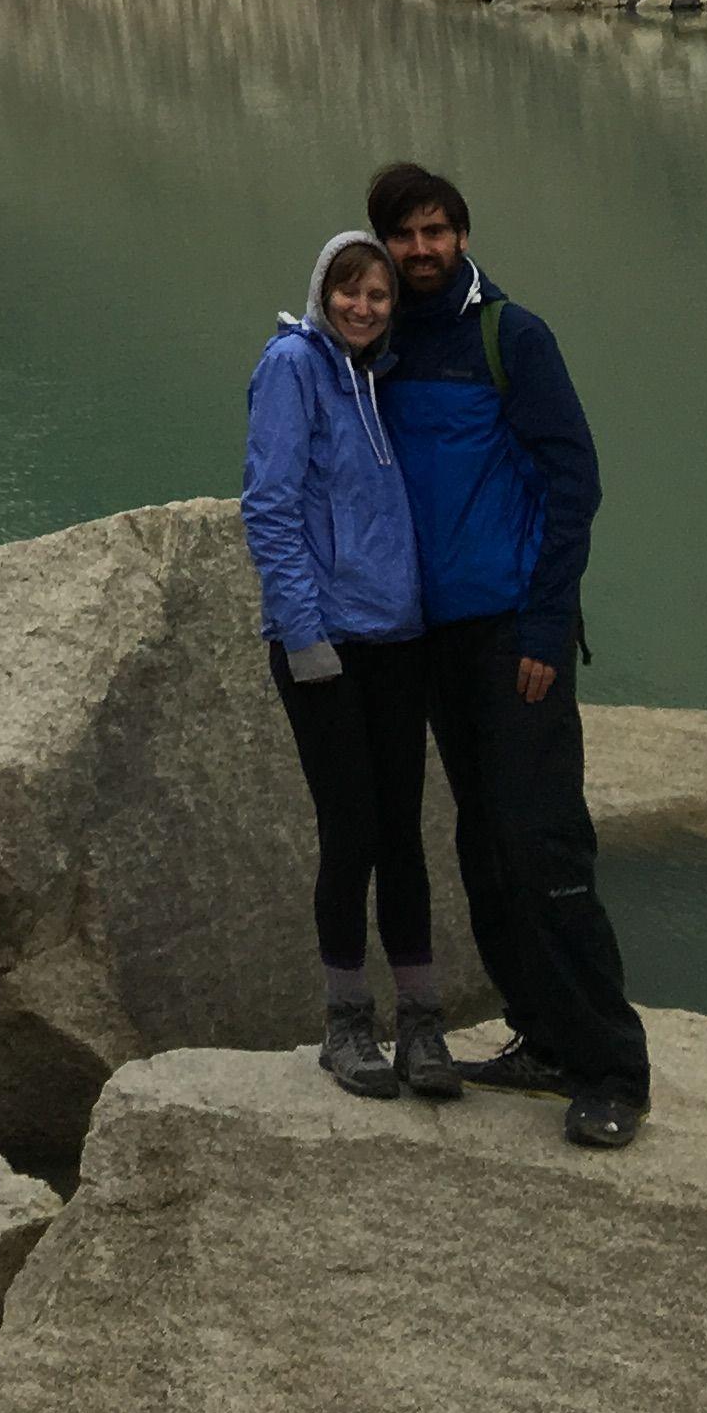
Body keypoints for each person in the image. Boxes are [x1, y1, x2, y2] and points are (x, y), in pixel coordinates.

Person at [368, 157, 652, 1150]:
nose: (422, 249)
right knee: (483, 846)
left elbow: (574, 483)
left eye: (437, 230)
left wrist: (544, 625)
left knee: (544, 844)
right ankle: (543, 1034)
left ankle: (613, 1064)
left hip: (511, 636)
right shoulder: (384, 340)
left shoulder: (511, 337)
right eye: (404, 235)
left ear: (463, 235)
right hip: (430, 636)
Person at [239, 228, 464, 1101]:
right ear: (322, 292)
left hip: (396, 639)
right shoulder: (294, 367)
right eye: (349, 291)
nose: (363, 307)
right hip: (325, 645)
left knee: (403, 832)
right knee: (354, 829)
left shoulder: (377, 376)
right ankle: (345, 1025)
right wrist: (303, 636)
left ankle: (422, 1026)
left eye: (378, 295)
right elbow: (270, 505)